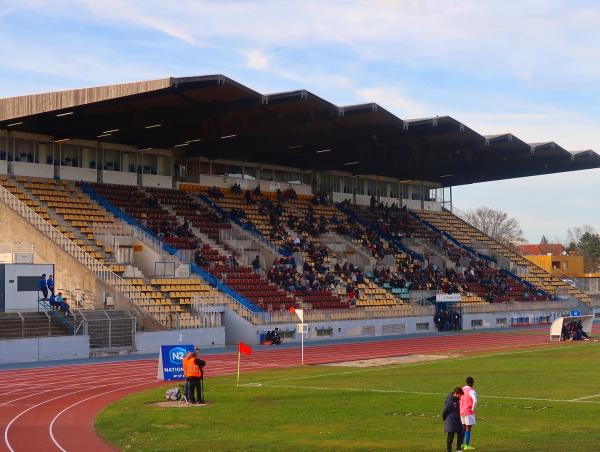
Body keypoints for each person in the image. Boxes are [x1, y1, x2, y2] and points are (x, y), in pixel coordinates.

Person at [443, 387, 464, 452]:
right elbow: (446, 410)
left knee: (461, 432)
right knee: (451, 435)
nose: (460, 397)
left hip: (456, 419)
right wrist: (444, 417)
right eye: (460, 395)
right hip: (451, 420)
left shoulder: (455, 399)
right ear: (456, 393)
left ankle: (458, 449)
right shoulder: (450, 399)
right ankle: (449, 450)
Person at [460, 376, 478, 450]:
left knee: (463, 428)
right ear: (472, 383)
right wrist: (472, 409)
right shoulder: (472, 391)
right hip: (468, 412)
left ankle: (461, 444)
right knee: (468, 428)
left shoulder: (461, 389)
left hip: (461, 412)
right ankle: (466, 446)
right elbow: (475, 401)